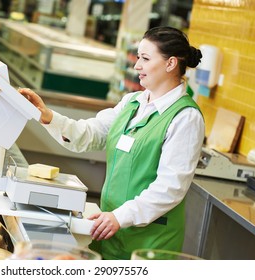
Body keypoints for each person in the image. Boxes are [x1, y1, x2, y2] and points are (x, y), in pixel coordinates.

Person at [18, 26, 205, 260]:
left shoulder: (185, 117)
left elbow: (170, 187)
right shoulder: (132, 102)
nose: (137, 66)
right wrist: (47, 116)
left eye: (145, 59)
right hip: (110, 228)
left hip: (148, 242)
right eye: (138, 58)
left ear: (170, 64)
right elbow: (90, 134)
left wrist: (120, 216)